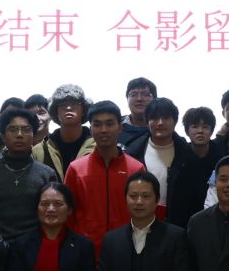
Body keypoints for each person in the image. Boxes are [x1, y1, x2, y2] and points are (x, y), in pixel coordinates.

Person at [65, 100, 143, 252]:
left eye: (109, 123)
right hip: (85, 251)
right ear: (90, 129)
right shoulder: (76, 169)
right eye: (97, 124)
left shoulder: (136, 169)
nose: (103, 130)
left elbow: (143, 212)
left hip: (127, 249)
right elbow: (68, 214)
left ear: (120, 128)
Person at [0, 107, 57, 241]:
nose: (19, 134)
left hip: (35, 246)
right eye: (13, 129)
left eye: (26, 129)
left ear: (34, 135)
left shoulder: (47, 174)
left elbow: (54, 214)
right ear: (3, 136)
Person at [165, 105, 224, 229]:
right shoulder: (179, 155)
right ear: (187, 131)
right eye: (195, 126)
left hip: (215, 223)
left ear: (212, 131)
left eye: (205, 127)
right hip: (181, 224)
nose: (200, 131)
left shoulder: (221, 157)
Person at [40, 84, 95, 177]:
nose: (69, 108)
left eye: (74, 103)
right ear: (56, 112)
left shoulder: (98, 147)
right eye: (63, 104)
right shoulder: (40, 150)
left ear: (83, 110)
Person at [137, 95, 183, 188]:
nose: (160, 123)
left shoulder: (187, 153)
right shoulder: (134, 153)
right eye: (155, 118)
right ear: (147, 122)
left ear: (175, 121)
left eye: (166, 118)